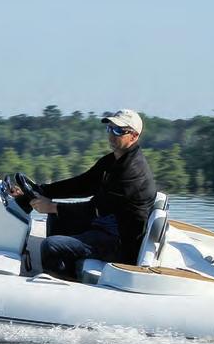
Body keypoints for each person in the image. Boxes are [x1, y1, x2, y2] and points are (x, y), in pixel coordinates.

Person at [23, 109, 158, 280]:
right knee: (56, 218)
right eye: (110, 128)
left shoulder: (132, 172)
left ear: (134, 136)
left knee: (51, 245)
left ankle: (64, 286)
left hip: (120, 242)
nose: (112, 135)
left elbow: (95, 209)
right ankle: (66, 270)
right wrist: (40, 190)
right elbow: (83, 184)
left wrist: (51, 206)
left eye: (119, 130)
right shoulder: (114, 160)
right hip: (108, 225)